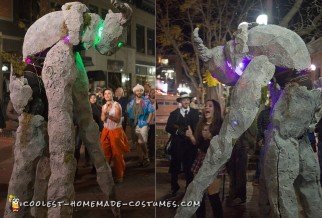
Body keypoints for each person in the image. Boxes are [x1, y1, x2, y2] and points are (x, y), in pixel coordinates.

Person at [187, 99, 223, 218]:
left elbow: (224, 145)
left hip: (214, 162)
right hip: (200, 160)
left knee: (213, 195)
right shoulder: (201, 124)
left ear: (215, 110)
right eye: (205, 106)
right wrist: (192, 136)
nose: (206, 108)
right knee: (198, 196)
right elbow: (198, 145)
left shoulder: (221, 125)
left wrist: (211, 137)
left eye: (210, 106)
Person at [165, 92, 200, 195]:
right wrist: (178, 131)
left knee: (189, 167)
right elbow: (168, 127)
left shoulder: (194, 112)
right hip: (177, 144)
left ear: (189, 101)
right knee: (175, 167)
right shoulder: (174, 114)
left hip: (190, 145)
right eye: (183, 99)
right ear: (180, 101)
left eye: (187, 99)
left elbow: (197, 127)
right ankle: (174, 187)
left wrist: (193, 135)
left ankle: (188, 188)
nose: (186, 101)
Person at [100, 88, 130, 183]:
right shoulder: (104, 106)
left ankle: (119, 174)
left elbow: (117, 119)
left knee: (117, 154)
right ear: (104, 96)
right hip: (106, 131)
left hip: (116, 131)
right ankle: (106, 174)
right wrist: (105, 114)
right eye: (105, 94)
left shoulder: (117, 105)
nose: (107, 95)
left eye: (109, 93)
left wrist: (108, 114)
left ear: (112, 95)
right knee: (105, 153)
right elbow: (102, 118)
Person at [127, 84, 154, 167]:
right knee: (137, 143)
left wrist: (148, 122)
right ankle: (140, 159)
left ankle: (146, 157)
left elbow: (151, 111)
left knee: (142, 141)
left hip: (143, 123)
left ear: (142, 91)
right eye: (137, 90)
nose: (139, 92)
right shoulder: (132, 102)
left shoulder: (146, 101)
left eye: (140, 90)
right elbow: (128, 113)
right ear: (135, 92)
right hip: (134, 124)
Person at [147, 88, 156, 160]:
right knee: (146, 139)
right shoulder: (146, 101)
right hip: (146, 123)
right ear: (149, 93)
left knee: (152, 140)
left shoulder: (156, 101)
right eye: (152, 92)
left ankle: (151, 155)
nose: (153, 94)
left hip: (153, 124)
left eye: (154, 93)